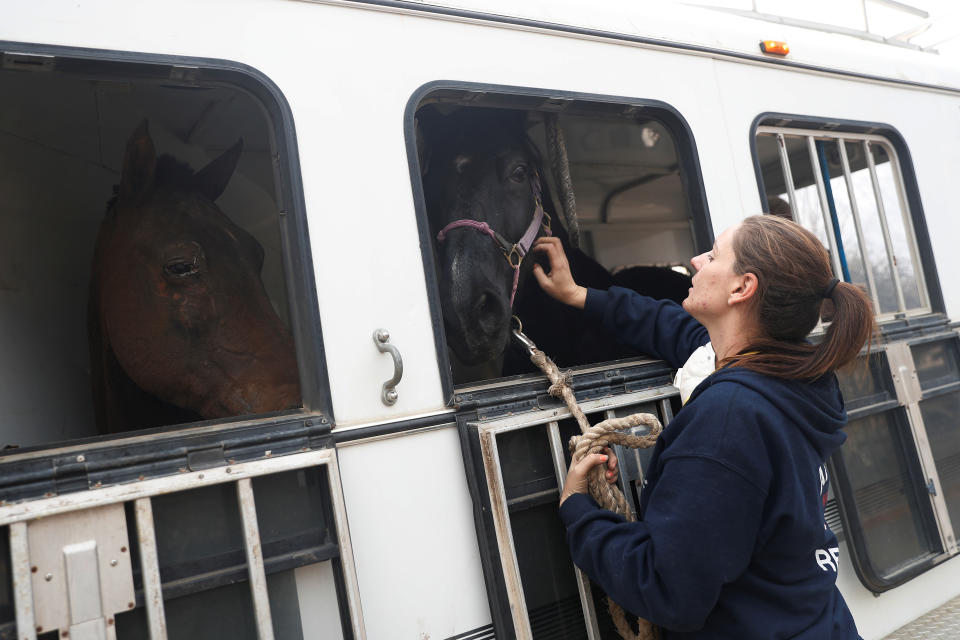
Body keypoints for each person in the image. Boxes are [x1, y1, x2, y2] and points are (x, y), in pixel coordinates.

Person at [530, 215, 873, 639]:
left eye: (712, 256)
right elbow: (669, 325)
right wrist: (580, 294)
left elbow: (668, 591)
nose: (695, 261)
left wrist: (578, 510)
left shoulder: (727, 421)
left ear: (741, 288)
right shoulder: (798, 376)